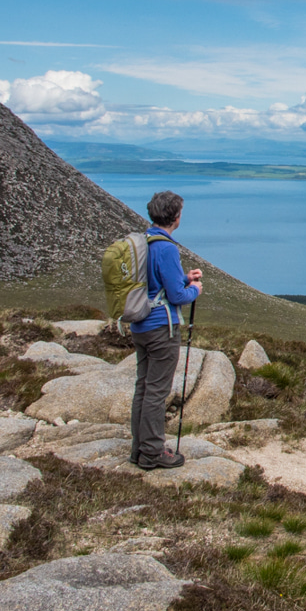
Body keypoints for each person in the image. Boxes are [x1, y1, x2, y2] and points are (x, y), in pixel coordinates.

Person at [129, 191, 203, 470]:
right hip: (162, 328)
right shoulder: (167, 247)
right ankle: (152, 452)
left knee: (144, 387)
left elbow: (156, 283)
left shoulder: (144, 242)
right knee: (157, 391)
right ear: (176, 216)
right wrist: (194, 289)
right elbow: (176, 296)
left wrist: (185, 277)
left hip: (140, 325)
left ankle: (139, 449)